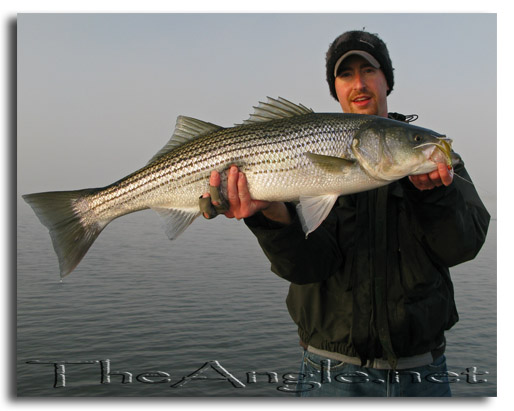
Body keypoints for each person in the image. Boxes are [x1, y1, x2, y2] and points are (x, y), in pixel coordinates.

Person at [200, 30, 490, 397]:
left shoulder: (438, 162)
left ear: (387, 79)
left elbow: (461, 248)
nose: (359, 83)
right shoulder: (306, 165)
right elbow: (306, 268)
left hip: (422, 371)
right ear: (335, 89)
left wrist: (435, 198)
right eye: (345, 75)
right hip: (329, 374)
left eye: (369, 70)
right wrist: (270, 213)